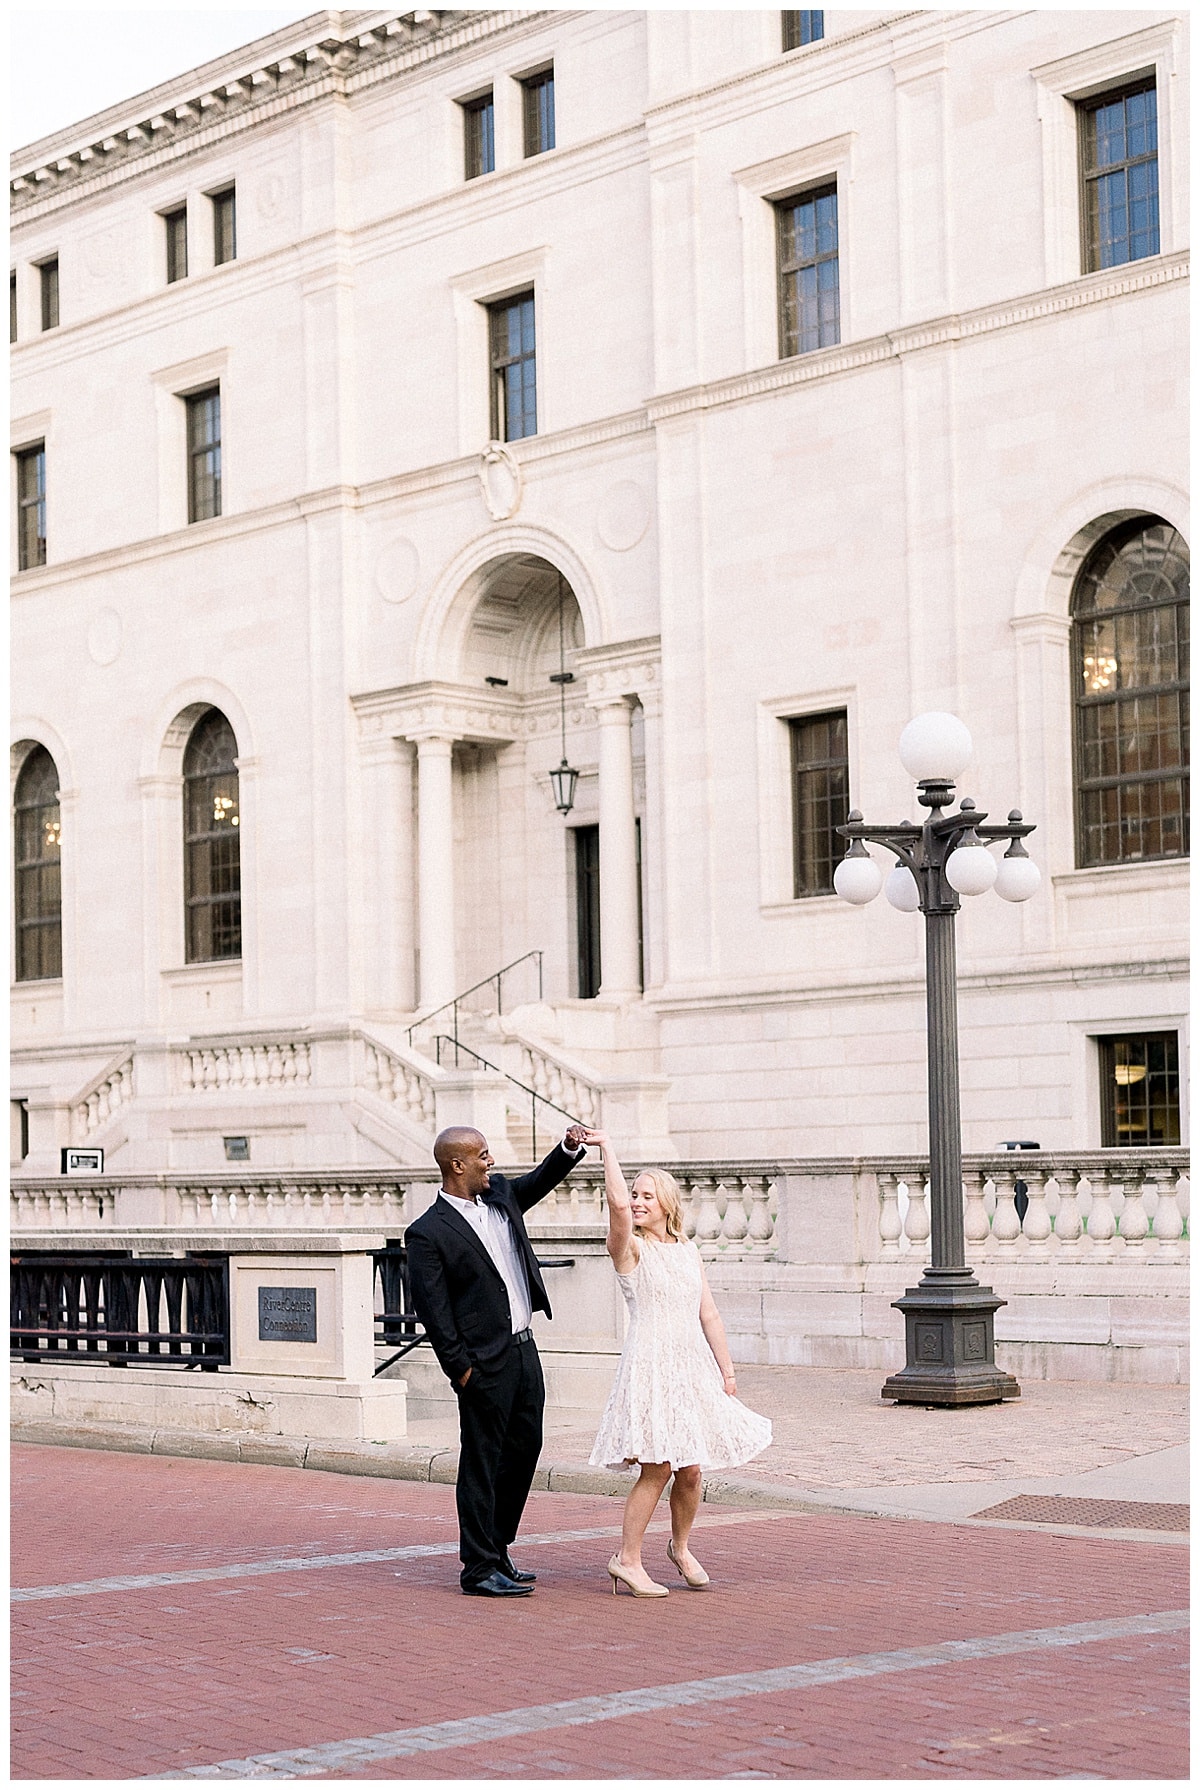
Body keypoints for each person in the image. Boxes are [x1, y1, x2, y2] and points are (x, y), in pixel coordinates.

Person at [584, 1129, 772, 1596]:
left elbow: (708, 1314)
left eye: (648, 1195)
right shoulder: (630, 1248)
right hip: (650, 1365)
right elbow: (618, 1209)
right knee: (658, 1466)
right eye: (636, 1194)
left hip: (691, 1367)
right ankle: (626, 1560)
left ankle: (680, 1547)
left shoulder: (688, 1252)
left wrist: (727, 1372)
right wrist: (608, 1150)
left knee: (690, 1468)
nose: (638, 1201)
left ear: (667, 1203)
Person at [405, 1123, 588, 1597]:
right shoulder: (427, 1233)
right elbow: (434, 1309)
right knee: (483, 1461)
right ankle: (478, 1566)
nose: (491, 1162)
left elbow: (538, 1181)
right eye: (482, 1155)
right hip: (483, 1365)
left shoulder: (502, 1196)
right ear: (457, 1165)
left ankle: (498, 1547)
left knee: (525, 1450)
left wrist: (567, 1149)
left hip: (524, 1350)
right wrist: (460, 1369)